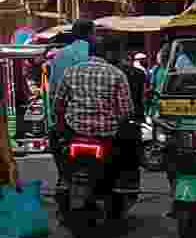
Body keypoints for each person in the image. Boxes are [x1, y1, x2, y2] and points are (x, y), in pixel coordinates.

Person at [54, 51, 139, 191]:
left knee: (53, 137)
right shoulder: (117, 74)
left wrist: (62, 126)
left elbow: (58, 106)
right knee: (130, 142)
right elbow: (127, 111)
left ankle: (63, 177)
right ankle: (126, 182)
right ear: (109, 55)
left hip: (75, 130)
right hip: (107, 133)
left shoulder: (71, 72)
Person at [48, 19, 94, 99]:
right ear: (90, 34)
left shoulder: (59, 54)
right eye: (94, 33)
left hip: (65, 101)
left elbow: (53, 86)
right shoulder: (92, 54)